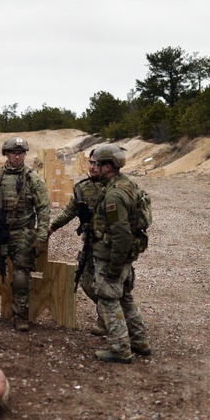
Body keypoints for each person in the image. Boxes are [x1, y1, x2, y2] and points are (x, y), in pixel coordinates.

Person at [0, 136, 50, 332]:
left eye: (21, 153)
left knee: (22, 277)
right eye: (14, 152)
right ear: (6, 154)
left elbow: (44, 209)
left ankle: (20, 316)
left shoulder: (33, 179)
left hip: (23, 233)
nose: (18, 156)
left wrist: (40, 238)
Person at [88, 143, 152, 363]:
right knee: (125, 298)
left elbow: (121, 234)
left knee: (108, 300)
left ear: (108, 166)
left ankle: (120, 349)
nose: (94, 167)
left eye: (97, 163)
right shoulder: (128, 184)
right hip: (125, 256)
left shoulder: (114, 195)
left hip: (112, 257)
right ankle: (140, 342)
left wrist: (114, 268)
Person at [48, 148, 107, 335]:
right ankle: (111, 312)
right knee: (85, 281)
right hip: (90, 244)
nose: (93, 167)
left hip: (110, 247)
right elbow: (69, 211)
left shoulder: (116, 187)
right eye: (91, 163)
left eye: (98, 164)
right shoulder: (83, 188)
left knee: (108, 285)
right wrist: (52, 228)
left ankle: (107, 319)